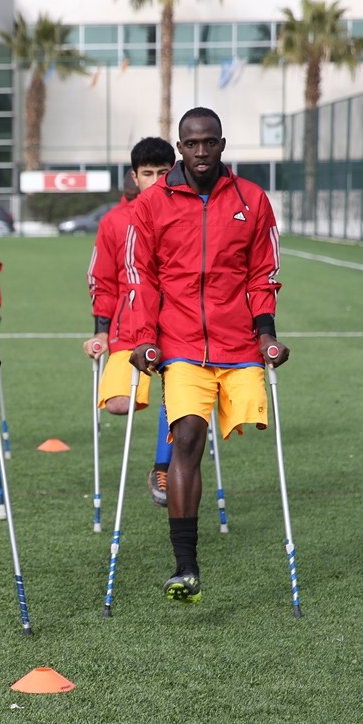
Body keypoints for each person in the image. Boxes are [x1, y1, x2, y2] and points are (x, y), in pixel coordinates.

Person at [126, 107, 289, 604]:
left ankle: (189, 557)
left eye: (210, 143)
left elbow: (264, 272)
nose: (201, 152)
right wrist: (143, 338)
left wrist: (267, 335)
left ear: (222, 145)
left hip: (239, 343)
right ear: (180, 147)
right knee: (188, 436)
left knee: (245, 433)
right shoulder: (152, 204)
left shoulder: (251, 199)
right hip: (179, 345)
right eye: (192, 144)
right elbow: (141, 277)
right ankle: (185, 565)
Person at [83, 137, 176, 506]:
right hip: (130, 328)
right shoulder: (115, 222)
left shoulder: (186, 213)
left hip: (178, 325)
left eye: (163, 173)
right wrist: (100, 331)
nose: (155, 180)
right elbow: (103, 280)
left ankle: (162, 466)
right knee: (119, 404)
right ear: (134, 177)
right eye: (148, 174)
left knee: (178, 393)